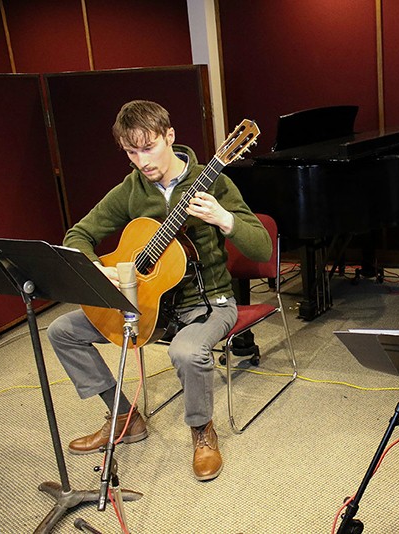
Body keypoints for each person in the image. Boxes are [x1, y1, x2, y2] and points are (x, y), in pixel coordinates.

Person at [47, 100, 271, 481]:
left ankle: (202, 430)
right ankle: (125, 417)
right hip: (146, 302)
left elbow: (262, 249)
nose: (142, 161)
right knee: (61, 331)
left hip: (207, 302)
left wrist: (225, 219)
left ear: (170, 136)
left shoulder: (213, 180)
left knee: (187, 351)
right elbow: (78, 235)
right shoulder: (131, 189)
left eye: (148, 147)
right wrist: (100, 269)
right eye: (131, 152)